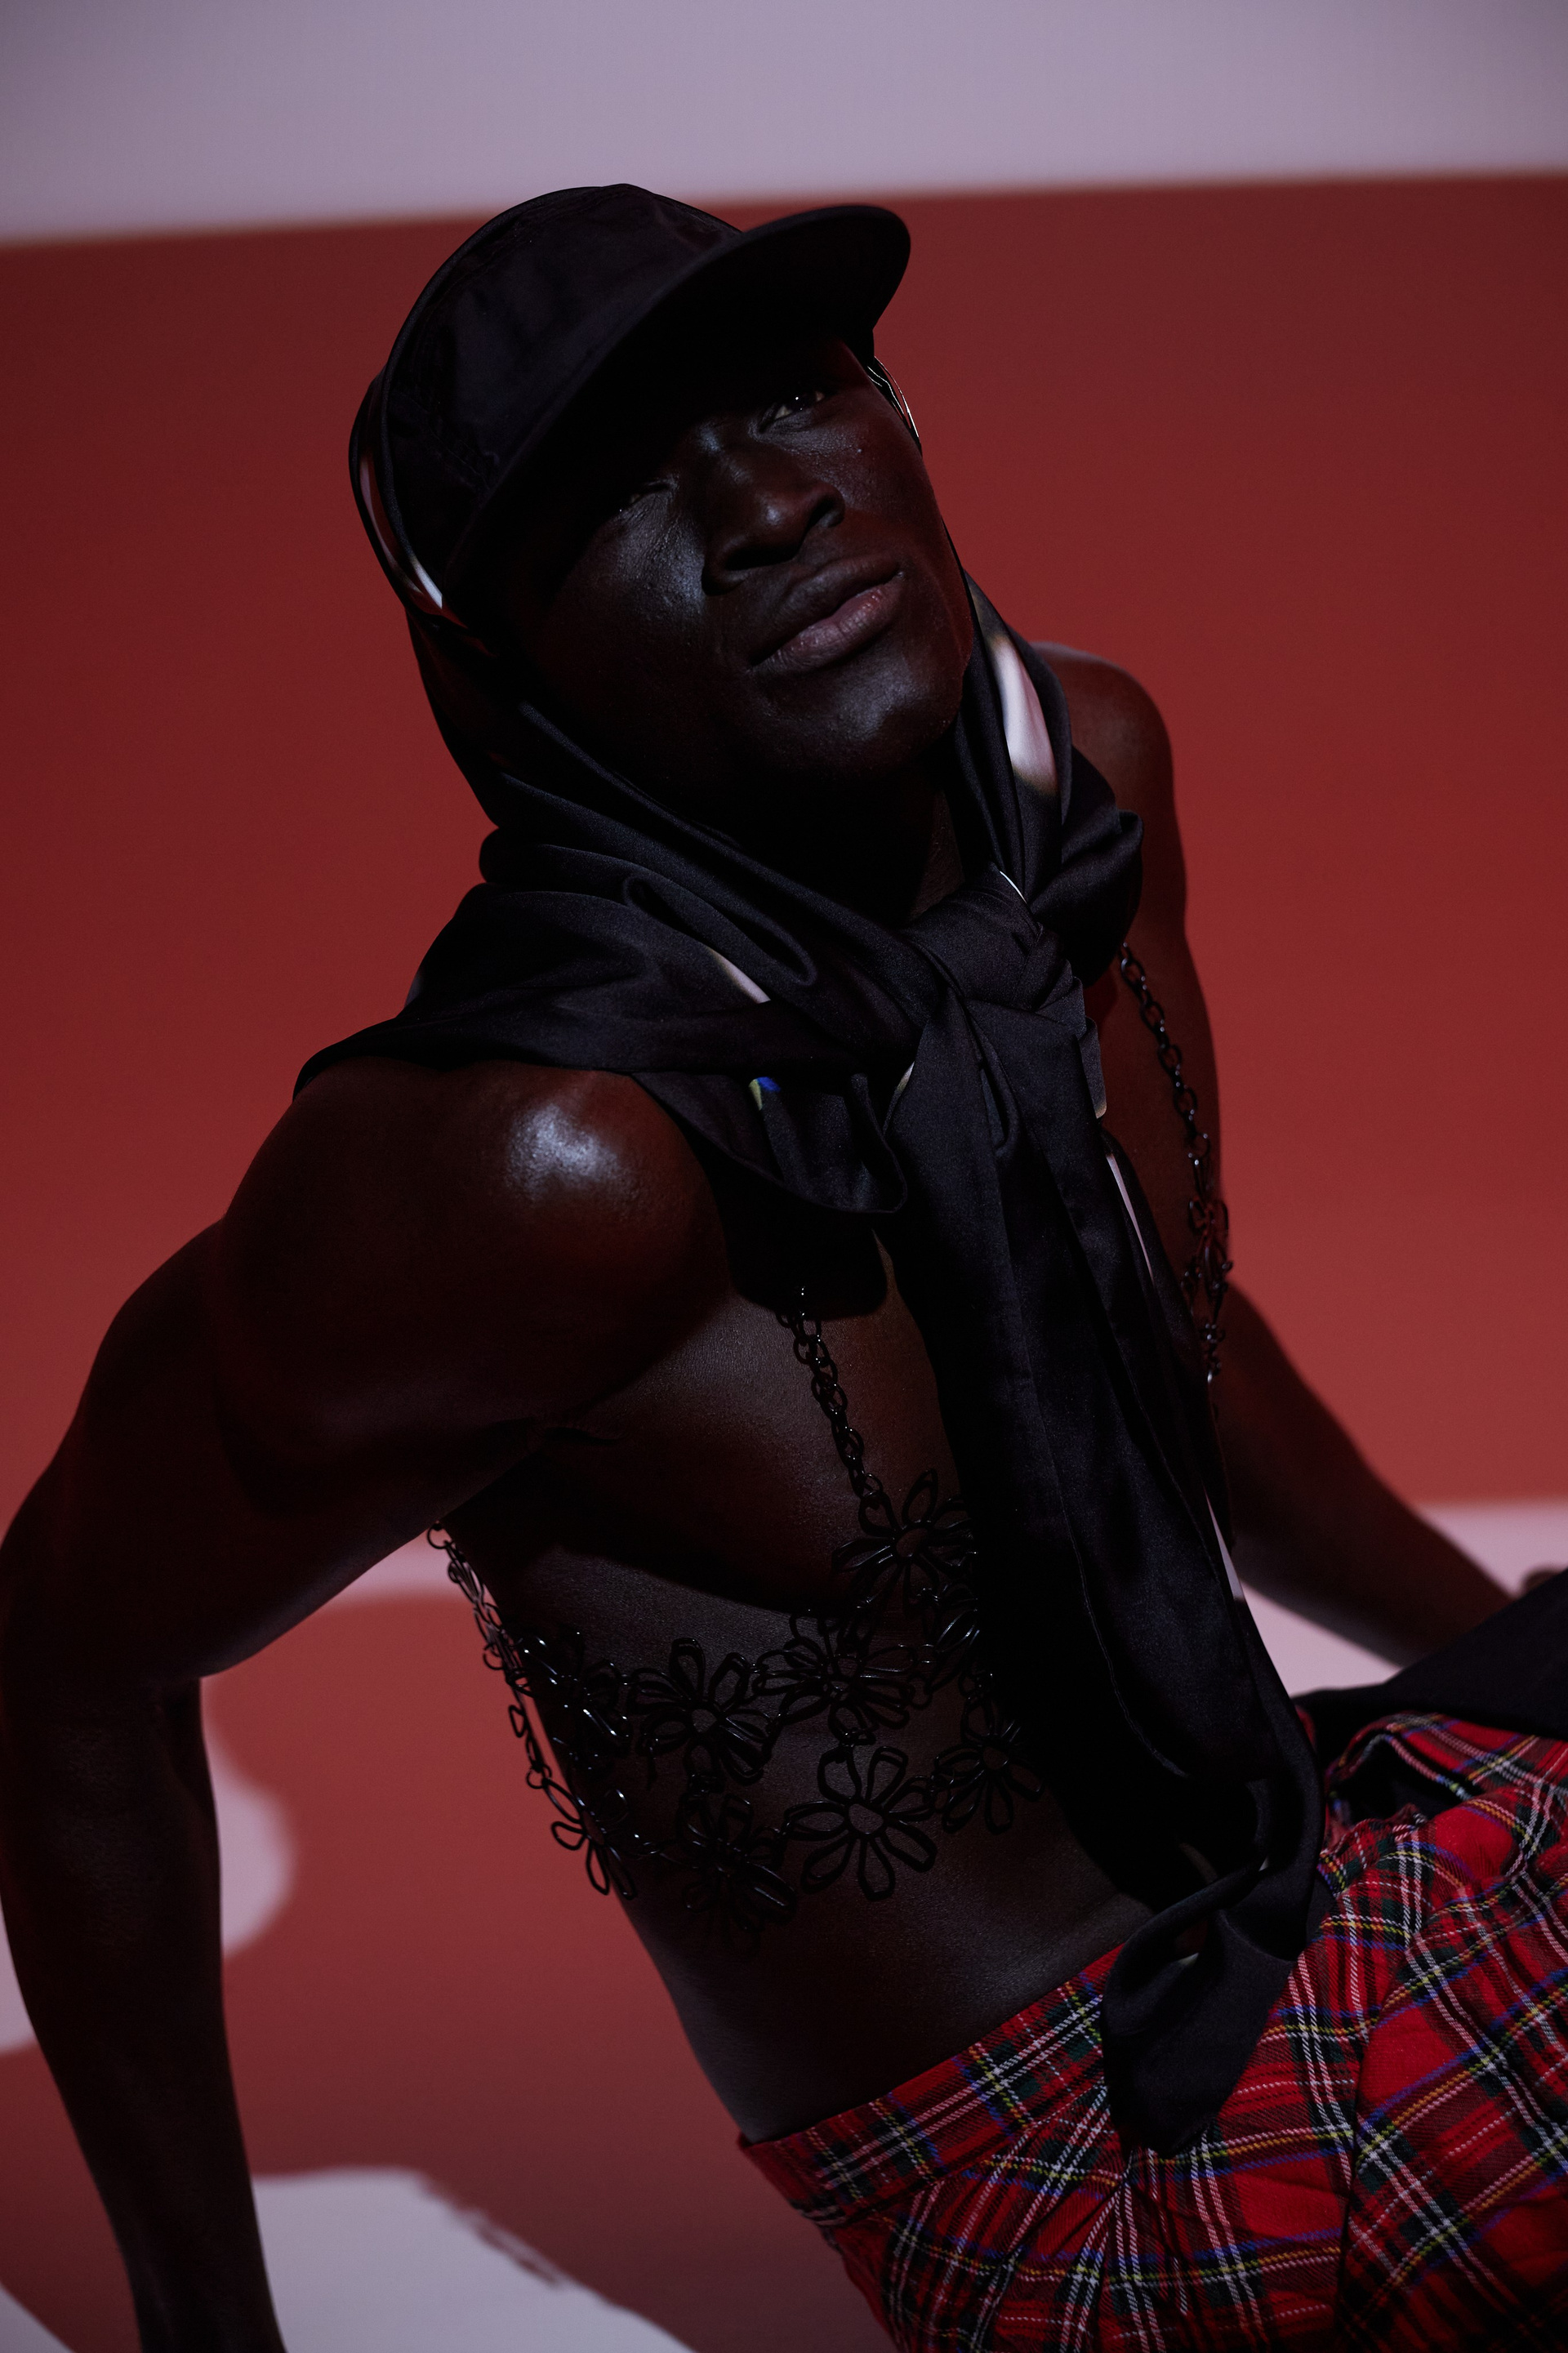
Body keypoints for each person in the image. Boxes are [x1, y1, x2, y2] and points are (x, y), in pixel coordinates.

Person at [1, 185, 1561, 2351]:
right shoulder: (540, 1161)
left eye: (791, 393)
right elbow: (57, 1663)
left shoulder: (1074, 796)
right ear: (492, 649)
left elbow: (1164, 1353)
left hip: (1299, 1868)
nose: (763, 504)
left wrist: (1514, 1684)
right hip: (1072, 2158)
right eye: (620, 491)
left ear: (898, 410)